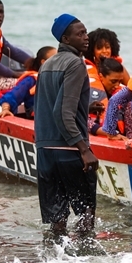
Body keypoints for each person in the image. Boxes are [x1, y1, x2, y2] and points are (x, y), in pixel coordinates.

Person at [34, 14, 98, 240]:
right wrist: (84, 149)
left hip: (45, 152)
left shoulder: (46, 65)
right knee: (86, 216)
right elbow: (62, 112)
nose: (86, 37)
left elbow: (48, 106)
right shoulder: (75, 64)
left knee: (56, 222)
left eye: (86, 32)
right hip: (70, 151)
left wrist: (87, 105)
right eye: (80, 34)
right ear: (65, 38)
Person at [0, 46, 57, 119]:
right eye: (56, 59)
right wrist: (5, 109)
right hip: (39, 118)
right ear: (43, 62)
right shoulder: (31, 80)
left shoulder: (60, 78)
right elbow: (11, 96)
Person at [88, 58, 128, 137]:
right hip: (96, 136)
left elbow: (130, 125)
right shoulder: (87, 93)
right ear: (101, 77)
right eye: (113, 81)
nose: (117, 85)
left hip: (120, 139)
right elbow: (82, 121)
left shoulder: (123, 95)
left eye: (120, 81)